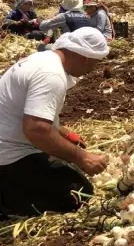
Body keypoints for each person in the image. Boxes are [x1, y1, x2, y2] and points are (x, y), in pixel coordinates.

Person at [0, 28, 109, 218]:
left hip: (8, 144)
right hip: (8, 158)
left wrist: (63, 133)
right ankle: (10, 205)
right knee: (78, 193)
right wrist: (81, 156)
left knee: (66, 170)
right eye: (94, 63)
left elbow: (33, 116)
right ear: (85, 58)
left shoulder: (40, 59)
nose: (91, 70)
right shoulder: (52, 75)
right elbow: (36, 129)